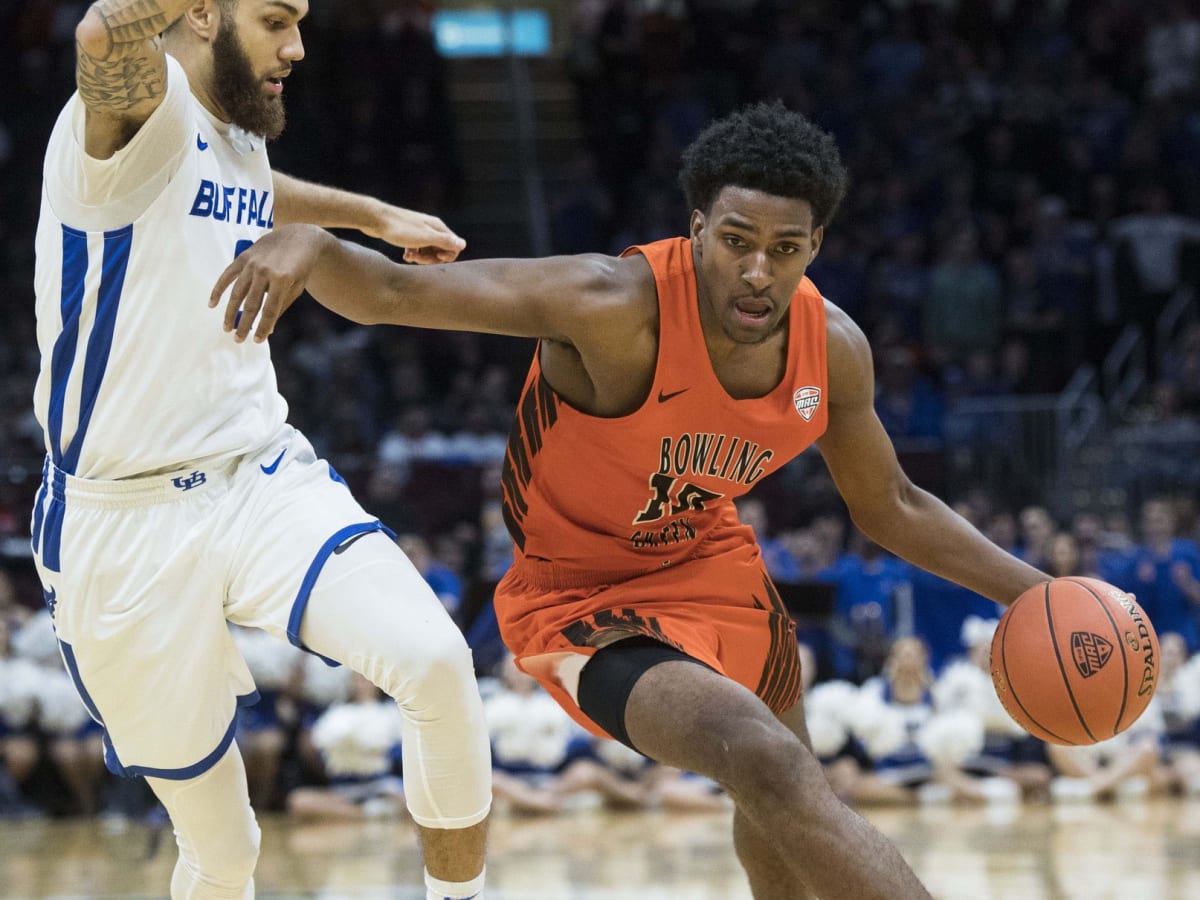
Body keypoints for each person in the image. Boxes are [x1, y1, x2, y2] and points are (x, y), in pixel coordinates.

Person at [215, 101, 1055, 899]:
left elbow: (893, 504)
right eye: (736, 240)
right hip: (577, 592)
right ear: (696, 230)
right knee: (766, 761)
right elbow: (398, 295)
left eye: (785, 248)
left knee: (785, 790)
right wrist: (316, 249)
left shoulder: (833, 349)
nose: (758, 272)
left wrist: (1039, 595)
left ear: (815, 246)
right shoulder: (611, 304)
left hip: (710, 564)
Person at [31, 3, 491, 898]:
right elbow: (100, 36)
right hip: (120, 527)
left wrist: (372, 215)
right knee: (225, 851)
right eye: (278, 19)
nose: (298, 46)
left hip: (257, 470)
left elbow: (254, 184)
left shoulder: (230, 127)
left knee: (436, 661)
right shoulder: (137, 104)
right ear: (199, 13)